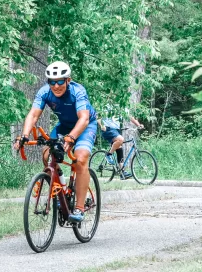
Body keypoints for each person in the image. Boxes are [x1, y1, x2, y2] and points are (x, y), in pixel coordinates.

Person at [14, 61, 97, 223]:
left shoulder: (77, 91)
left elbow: (84, 119)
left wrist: (72, 138)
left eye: (60, 81)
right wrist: (24, 135)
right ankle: (61, 190)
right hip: (64, 126)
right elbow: (33, 115)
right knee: (47, 154)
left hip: (85, 125)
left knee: (80, 159)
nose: (56, 85)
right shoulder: (44, 92)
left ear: (68, 80)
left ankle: (79, 209)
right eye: (52, 81)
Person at [98, 106, 144, 179]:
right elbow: (98, 116)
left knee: (119, 149)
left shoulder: (121, 105)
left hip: (116, 130)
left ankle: (122, 173)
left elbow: (129, 117)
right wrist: (102, 125)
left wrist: (138, 125)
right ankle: (108, 154)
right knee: (120, 139)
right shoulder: (107, 105)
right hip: (107, 129)